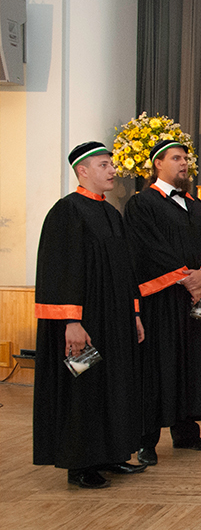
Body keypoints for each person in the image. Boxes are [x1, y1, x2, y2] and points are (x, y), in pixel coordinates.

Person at [33, 141, 147, 488]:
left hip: (115, 321)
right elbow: (58, 270)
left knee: (115, 386)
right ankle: (81, 464)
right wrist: (72, 322)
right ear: (82, 171)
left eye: (112, 164)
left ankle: (113, 454)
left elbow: (126, 270)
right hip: (86, 322)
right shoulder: (67, 211)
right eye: (104, 165)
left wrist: (134, 313)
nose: (113, 170)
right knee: (84, 390)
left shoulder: (112, 213)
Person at [125, 139, 201, 465]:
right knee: (159, 366)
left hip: (196, 299)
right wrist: (187, 279)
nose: (183, 164)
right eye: (176, 158)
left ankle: (186, 433)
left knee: (192, 363)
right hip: (161, 300)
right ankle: (147, 441)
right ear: (158, 164)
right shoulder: (142, 204)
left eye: (186, 159)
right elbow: (148, 248)